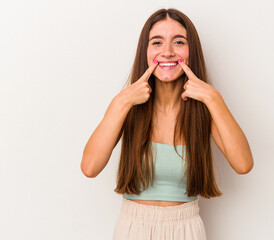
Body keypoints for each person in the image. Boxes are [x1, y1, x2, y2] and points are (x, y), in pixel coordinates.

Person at [81, 8, 254, 240]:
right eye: (157, 42)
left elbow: (243, 164)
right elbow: (90, 167)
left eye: (179, 42)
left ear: (191, 51)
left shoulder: (204, 108)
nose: (168, 52)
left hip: (187, 229)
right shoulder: (127, 106)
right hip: (134, 229)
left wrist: (213, 98)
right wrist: (121, 102)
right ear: (146, 51)